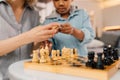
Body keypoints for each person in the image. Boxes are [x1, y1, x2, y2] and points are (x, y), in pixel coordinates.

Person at [0, 0, 57, 80]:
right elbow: (29, 37)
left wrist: (41, 48)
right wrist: (29, 36)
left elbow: (33, 52)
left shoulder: (34, 13)